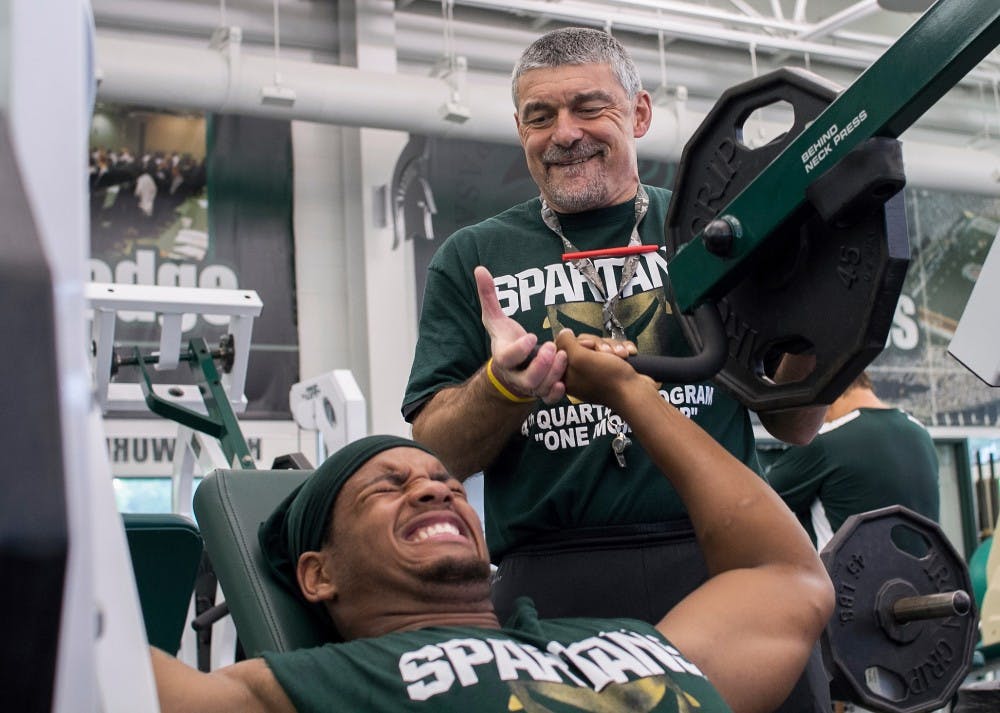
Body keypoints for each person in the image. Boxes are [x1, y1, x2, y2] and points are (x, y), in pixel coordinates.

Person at [401, 27, 829, 711]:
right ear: (520, 131)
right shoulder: (473, 255)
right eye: (539, 117)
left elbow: (796, 420)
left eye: (588, 108)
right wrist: (504, 385)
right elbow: (436, 452)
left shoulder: (716, 231)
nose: (563, 133)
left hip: (723, 564)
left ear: (639, 113)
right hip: (552, 585)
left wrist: (810, 294)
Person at [151, 330, 834, 713]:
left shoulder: (629, 643)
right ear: (318, 572)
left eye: (449, 483)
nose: (433, 490)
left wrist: (629, 392)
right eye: (387, 488)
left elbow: (787, 577)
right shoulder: (325, 686)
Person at [766, 371, 940, 551]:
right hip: (919, 577)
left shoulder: (827, 440)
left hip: (843, 577)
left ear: (827, 391)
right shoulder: (921, 434)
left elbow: (756, 499)